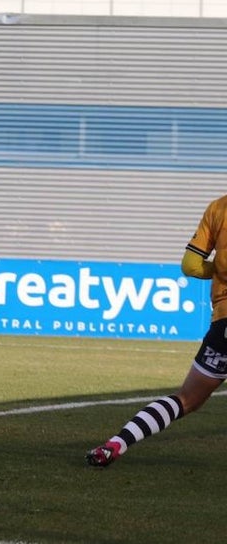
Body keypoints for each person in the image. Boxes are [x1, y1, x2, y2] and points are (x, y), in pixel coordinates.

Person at [87, 193, 227, 467]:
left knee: (185, 399)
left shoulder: (218, 207)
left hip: (223, 324)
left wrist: (217, 269)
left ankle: (116, 444)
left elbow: (190, 265)